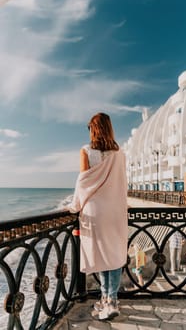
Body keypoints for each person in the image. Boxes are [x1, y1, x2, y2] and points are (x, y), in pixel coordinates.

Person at [68, 113, 128, 321]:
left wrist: (74, 206)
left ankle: (107, 298)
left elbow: (84, 182)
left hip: (95, 211)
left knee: (101, 255)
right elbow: (122, 185)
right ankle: (110, 299)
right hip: (115, 210)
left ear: (93, 129)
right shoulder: (120, 154)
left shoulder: (86, 150)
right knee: (114, 254)